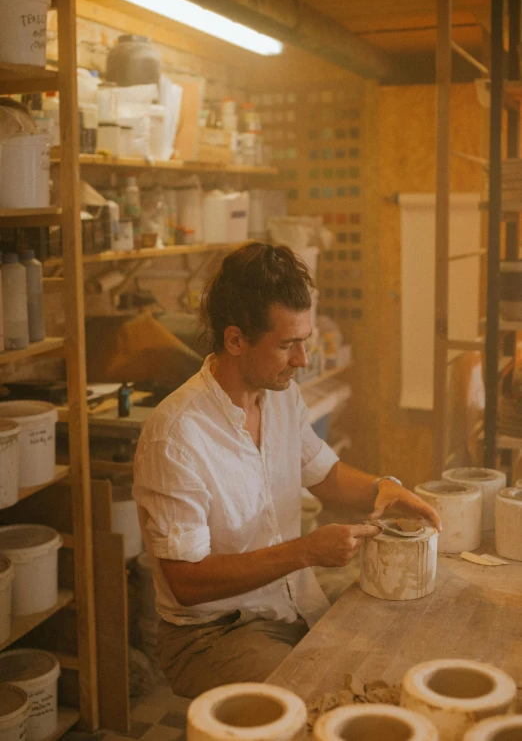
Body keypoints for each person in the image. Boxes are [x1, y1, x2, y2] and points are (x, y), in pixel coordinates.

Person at [133, 243, 441, 698]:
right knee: (321, 703)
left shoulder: (280, 395)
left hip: (289, 599)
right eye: (286, 345)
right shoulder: (176, 434)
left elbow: (322, 470)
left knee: (393, 651)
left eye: (304, 340)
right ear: (235, 340)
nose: (301, 359)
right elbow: (186, 583)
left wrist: (385, 489)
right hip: (213, 633)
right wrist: (306, 552)